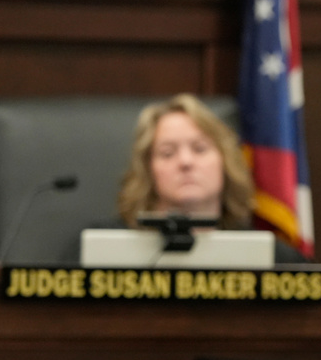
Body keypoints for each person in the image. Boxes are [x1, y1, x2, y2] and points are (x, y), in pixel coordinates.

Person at [104, 93, 307, 263]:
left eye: (200, 149)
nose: (185, 162)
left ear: (226, 162)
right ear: (148, 169)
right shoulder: (100, 249)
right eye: (167, 153)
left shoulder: (274, 258)